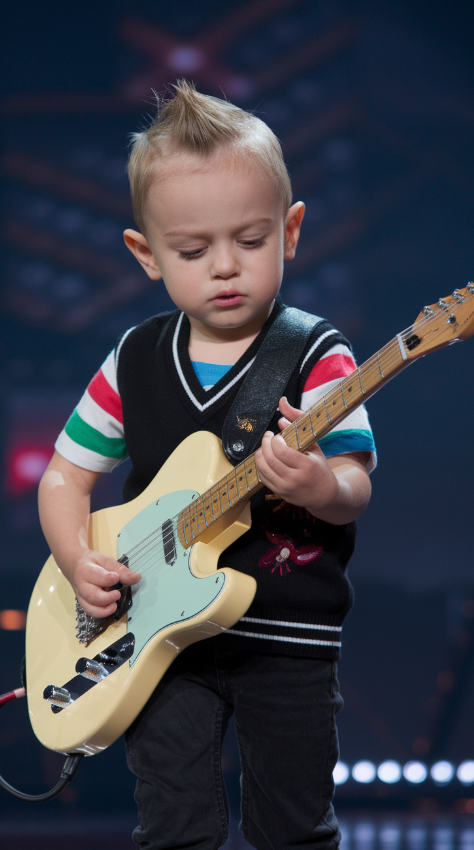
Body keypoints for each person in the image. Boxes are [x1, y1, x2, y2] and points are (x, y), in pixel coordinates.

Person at [38, 81, 376, 850]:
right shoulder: (134, 359)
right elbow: (64, 474)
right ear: (145, 254)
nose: (225, 267)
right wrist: (75, 555)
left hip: (288, 638)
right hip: (157, 643)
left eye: (251, 241)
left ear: (291, 232)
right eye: (192, 251)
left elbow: (356, 483)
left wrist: (321, 484)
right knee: (173, 825)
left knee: (294, 827)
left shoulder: (319, 355)